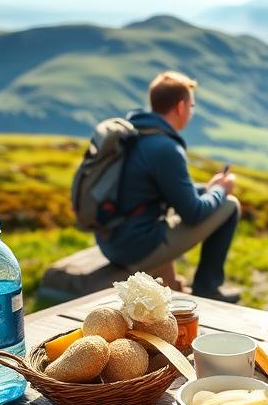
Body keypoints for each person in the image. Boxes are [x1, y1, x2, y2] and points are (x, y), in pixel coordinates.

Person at [97, 71, 241, 302]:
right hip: (134, 248)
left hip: (111, 240)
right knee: (230, 205)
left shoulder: (136, 134)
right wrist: (221, 190)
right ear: (181, 106)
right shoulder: (165, 148)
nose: (191, 112)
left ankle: (175, 285)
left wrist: (209, 188)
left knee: (207, 196)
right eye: (191, 105)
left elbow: (166, 189)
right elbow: (193, 213)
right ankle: (207, 288)